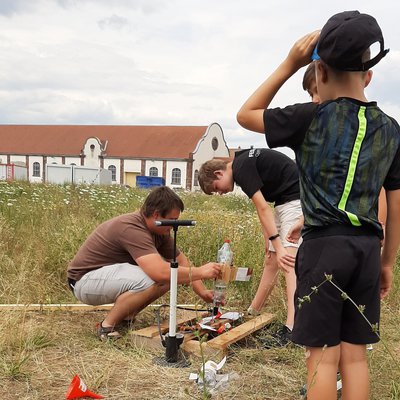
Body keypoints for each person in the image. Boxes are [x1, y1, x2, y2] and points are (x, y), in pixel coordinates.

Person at [237, 10, 400, 400]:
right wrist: (387, 262)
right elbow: (394, 207)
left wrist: (290, 63)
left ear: (319, 73)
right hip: (365, 251)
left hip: (323, 250)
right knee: (355, 358)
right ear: (369, 74)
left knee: (322, 358)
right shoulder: (391, 130)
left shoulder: (309, 117)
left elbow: (245, 115)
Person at [67, 186, 221, 340]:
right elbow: (159, 272)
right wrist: (201, 271)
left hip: (104, 277)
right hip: (84, 281)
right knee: (155, 277)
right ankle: (106, 327)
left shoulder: (159, 230)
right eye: (173, 220)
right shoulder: (132, 228)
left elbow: (181, 261)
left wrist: (202, 292)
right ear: (156, 215)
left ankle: (125, 318)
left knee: (171, 278)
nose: (175, 225)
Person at [198, 148, 300, 346]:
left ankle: (293, 329)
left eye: (216, 188)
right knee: (271, 261)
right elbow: (261, 208)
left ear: (219, 174)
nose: (219, 193)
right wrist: (268, 240)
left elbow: (263, 207)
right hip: (284, 201)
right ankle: (254, 311)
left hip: (296, 201)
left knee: (287, 262)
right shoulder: (242, 163)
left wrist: (278, 246)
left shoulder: (241, 168)